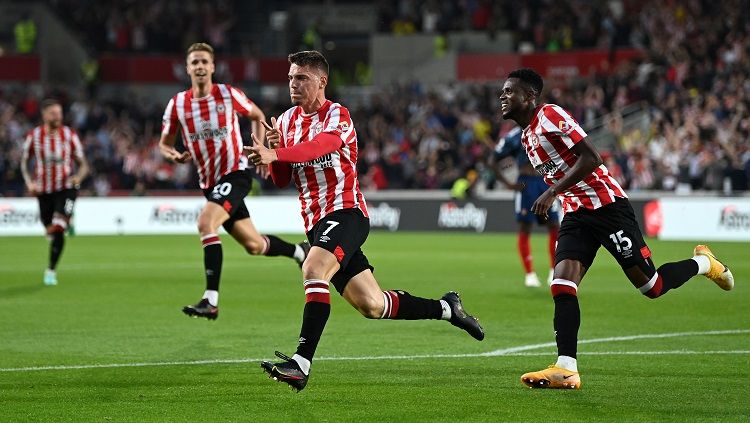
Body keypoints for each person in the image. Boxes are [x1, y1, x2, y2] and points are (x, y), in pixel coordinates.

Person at [246, 50, 484, 392]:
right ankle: (448, 309)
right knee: (372, 305)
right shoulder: (284, 122)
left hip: (346, 213)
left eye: (301, 78)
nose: (292, 85)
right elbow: (282, 178)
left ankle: (300, 363)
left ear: (321, 81)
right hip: (316, 223)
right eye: (290, 78)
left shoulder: (337, 116)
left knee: (313, 269)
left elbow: (320, 147)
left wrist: (278, 153)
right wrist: (275, 152)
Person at [498, 68, 734, 390]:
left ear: (530, 96)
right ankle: (566, 368)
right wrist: (559, 196)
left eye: (510, 91)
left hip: (608, 208)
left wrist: (552, 191)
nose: (503, 96)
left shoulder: (550, 116)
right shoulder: (525, 138)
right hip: (576, 215)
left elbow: (592, 157)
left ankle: (705, 263)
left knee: (652, 287)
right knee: (562, 283)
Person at [159, 42, 309, 320]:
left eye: (205, 61)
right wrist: (173, 155)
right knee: (254, 245)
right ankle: (300, 252)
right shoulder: (178, 104)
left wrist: (259, 151)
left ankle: (210, 300)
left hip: (236, 173)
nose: (200, 66)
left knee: (206, 223)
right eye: (195, 62)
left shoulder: (227, 95)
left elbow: (257, 116)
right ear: (188, 68)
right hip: (209, 183)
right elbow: (164, 144)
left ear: (213, 66)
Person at [21, 99, 89, 286]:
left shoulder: (69, 135)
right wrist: (30, 183)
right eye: (53, 113)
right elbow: (24, 162)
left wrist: (78, 177)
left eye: (59, 113)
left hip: (66, 187)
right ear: (44, 115)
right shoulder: (34, 136)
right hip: (43, 190)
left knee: (58, 228)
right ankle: (62, 221)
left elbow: (84, 165)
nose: (57, 116)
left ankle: (51, 270)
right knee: (49, 226)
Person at [494, 125, 560, 287]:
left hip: (546, 181)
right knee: (525, 227)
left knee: (554, 226)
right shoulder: (514, 136)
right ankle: (529, 274)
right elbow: (493, 159)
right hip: (526, 183)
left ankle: (554, 270)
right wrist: (508, 184)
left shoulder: (545, 128)